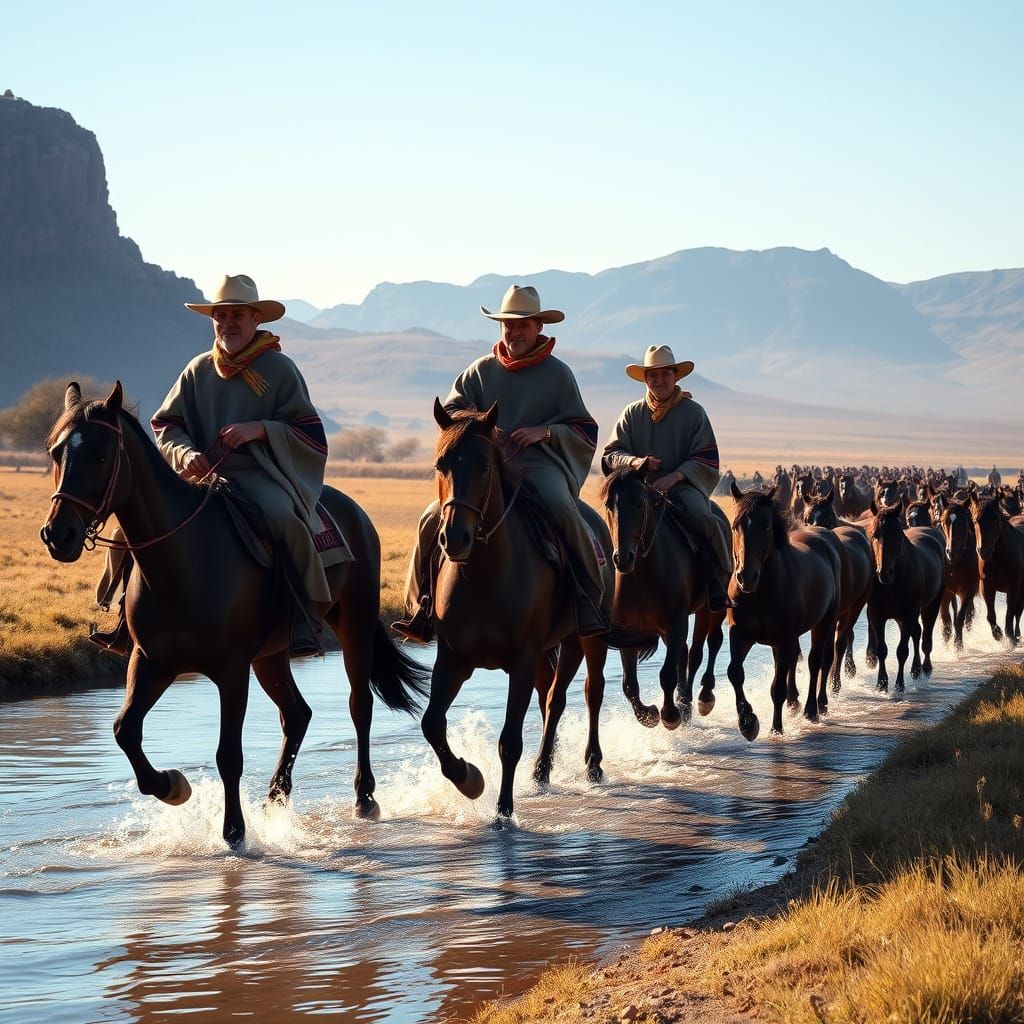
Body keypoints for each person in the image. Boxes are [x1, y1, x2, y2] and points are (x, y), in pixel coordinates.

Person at [89, 274, 331, 657]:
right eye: (220, 316)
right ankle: (122, 617)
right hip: (200, 478)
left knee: (284, 519)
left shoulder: (280, 370)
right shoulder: (197, 369)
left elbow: (309, 432)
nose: (228, 323)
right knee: (127, 532)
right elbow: (166, 423)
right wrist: (186, 454)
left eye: (237, 315)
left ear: (255, 319)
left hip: (258, 476)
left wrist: (261, 429)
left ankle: (306, 616)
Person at [392, 284, 605, 641]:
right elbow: (452, 414)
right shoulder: (479, 371)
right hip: (484, 469)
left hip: (539, 466)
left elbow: (583, 429)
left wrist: (546, 432)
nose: (514, 331)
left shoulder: (558, 374)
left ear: (539, 327)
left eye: (523, 325)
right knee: (432, 516)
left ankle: (588, 597)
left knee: (559, 505)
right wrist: (483, 431)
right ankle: (422, 607)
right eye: (508, 324)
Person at [601, 344, 733, 613]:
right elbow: (611, 454)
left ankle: (718, 581)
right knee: (613, 523)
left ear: (676, 377)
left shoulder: (694, 413)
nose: (659, 381)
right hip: (639, 489)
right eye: (653, 376)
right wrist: (635, 462)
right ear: (645, 379)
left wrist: (675, 476)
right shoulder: (631, 413)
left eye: (665, 375)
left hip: (682, 488)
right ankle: (605, 594)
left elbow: (706, 457)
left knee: (704, 519)